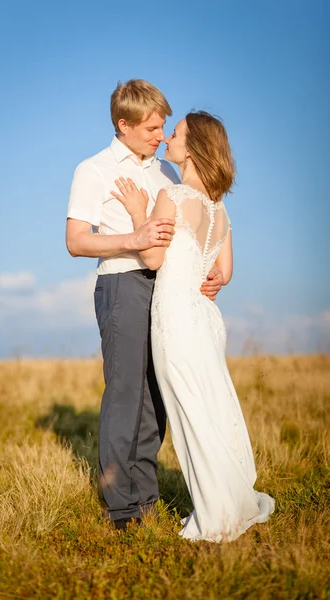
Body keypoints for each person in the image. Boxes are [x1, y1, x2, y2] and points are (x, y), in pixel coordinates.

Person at [66, 80, 225, 531]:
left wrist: (207, 273)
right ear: (124, 124)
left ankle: (146, 498)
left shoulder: (167, 174)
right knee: (125, 394)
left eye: (162, 127)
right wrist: (132, 239)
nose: (160, 135)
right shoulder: (92, 169)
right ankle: (120, 508)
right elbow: (75, 241)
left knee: (157, 396)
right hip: (122, 285)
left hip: (169, 291)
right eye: (153, 127)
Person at [111, 111, 275, 542]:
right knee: (212, 407)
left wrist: (136, 212)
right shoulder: (221, 211)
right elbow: (225, 272)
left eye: (177, 135)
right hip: (206, 319)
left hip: (176, 317)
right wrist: (214, 279)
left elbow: (153, 259)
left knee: (189, 411)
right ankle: (230, 495)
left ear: (195, 147)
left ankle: (216, 510)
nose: (167, 140)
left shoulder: (174, 196)